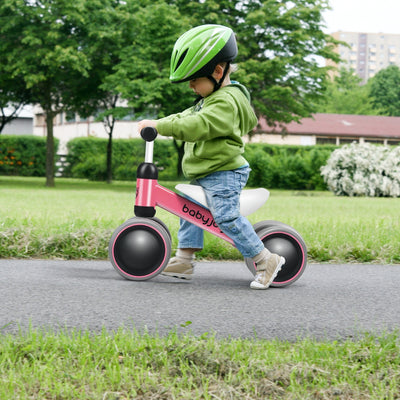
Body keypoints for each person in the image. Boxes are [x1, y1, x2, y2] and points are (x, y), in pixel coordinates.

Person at [138, 24, 285, 289]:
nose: (192, 86)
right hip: (210, 173)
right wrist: (158, 122)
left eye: (195, 79)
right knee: (187, 207)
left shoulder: (224, 103)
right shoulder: (212, 98)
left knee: (226, 217)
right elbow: (186, 116)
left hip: (225, 174)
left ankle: (265, 259)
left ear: (218, 72)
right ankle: (184, 259)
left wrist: (162, 127)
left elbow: (197, 125)